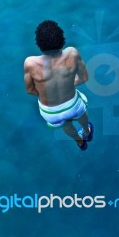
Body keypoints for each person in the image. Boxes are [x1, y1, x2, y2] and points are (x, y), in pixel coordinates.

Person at [24, 20, 94, 150]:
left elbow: (30, 90)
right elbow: (84, 78)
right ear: (61, 39)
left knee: (66, 125)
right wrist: (68, 86)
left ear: (39, 44)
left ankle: (79, 141)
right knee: (82, 114)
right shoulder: (72, 53)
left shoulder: (30, 63)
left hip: (50, 112)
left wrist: (48, 92)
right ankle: (87, 132)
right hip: (72, 105)